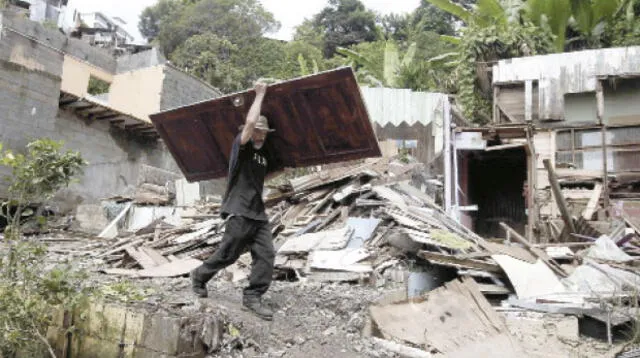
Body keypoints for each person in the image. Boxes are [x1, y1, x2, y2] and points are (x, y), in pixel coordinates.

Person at [190, 82, 276, 321]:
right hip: (238, 210)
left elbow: (263, 176)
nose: (259, 134)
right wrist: (260, 95)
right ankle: (199, 276)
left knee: (266, 254)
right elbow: (249, 123)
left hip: (258, 214)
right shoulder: (242, 147)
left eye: (262, 132)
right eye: (257, 130)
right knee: (228, 254)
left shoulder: (263, 156)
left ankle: (252, 297)